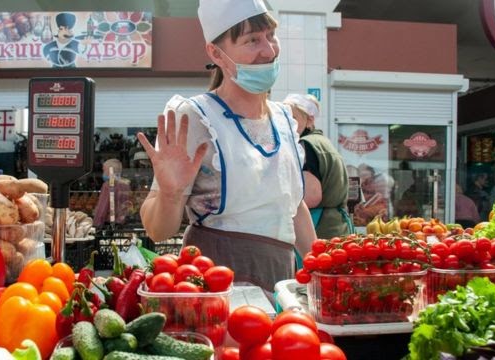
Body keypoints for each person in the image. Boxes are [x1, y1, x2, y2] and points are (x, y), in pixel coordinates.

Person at [136, 0, 316, 292]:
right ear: (216, 53)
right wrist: (170, 194)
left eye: (271, 36)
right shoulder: (195, 118)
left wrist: (319, 269)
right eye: (252, 40)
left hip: (281, 279)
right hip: (215, 285)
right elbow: (158, 231)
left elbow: (294, 207)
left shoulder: (284, 118)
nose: (269, 50)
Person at [283, 93, 353, 239]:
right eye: (284, 117)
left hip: (319, 227)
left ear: (310, 119)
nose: (288, 122)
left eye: (293, 117)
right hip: (337, 227)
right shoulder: (323, 142)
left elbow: (311, 196)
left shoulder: (306, 144)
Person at [93, 159, 131, 229]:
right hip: (122, 224)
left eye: (104, 170)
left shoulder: (107, 185)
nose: (103, 173)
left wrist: (96, 225)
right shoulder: (126, 185)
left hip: (108, 224)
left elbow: (102, 208)